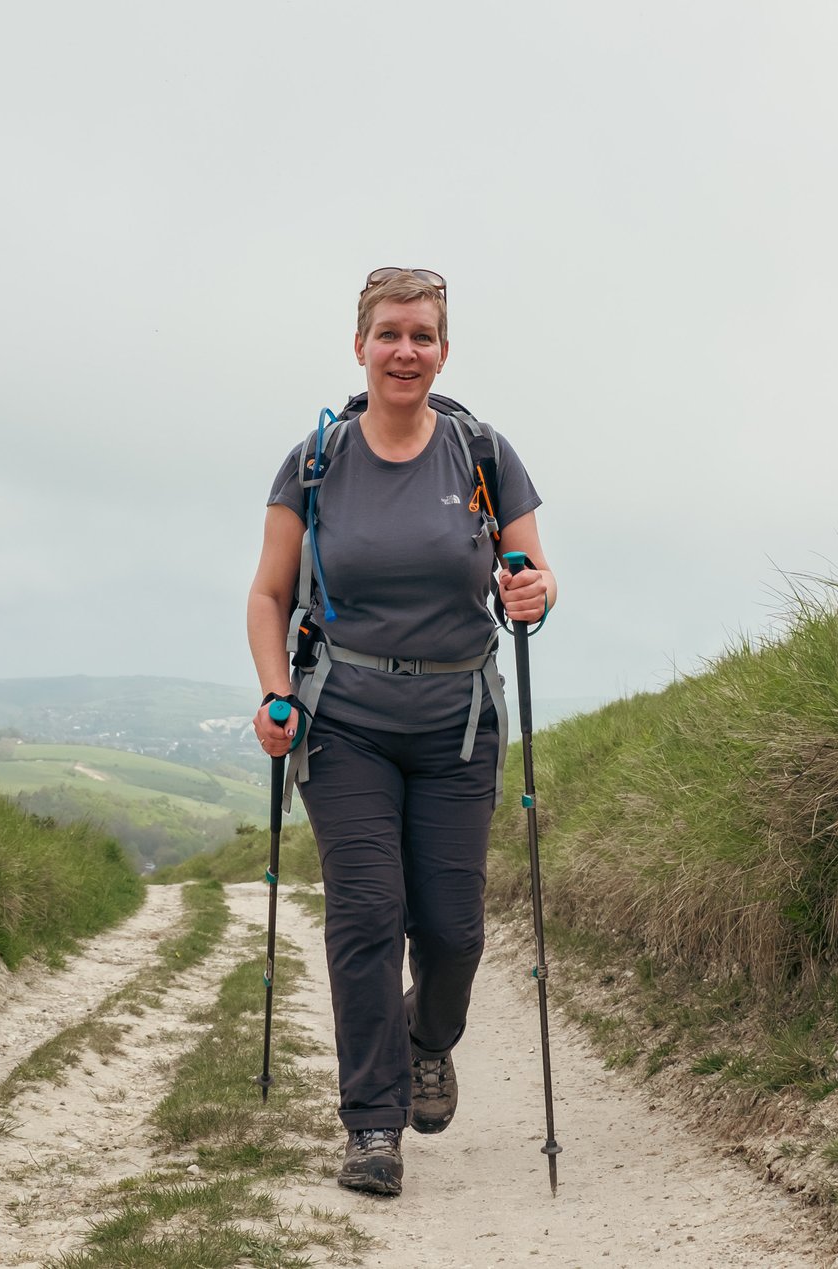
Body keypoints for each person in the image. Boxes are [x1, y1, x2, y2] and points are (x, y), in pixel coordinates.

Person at [245, 267, 555, 1197]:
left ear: (443, 350)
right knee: (368, 915)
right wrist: (275, 693)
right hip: (346, 723)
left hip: (460, 725)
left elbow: (533, 581)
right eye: (390, 334)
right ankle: (372, 1124)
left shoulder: (484, 455)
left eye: (423, 335)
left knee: (454, 931)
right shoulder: (315, 461)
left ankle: (428, 1040)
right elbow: (267, 594)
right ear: (360, 346)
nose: (406, 351)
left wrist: (531, 592)